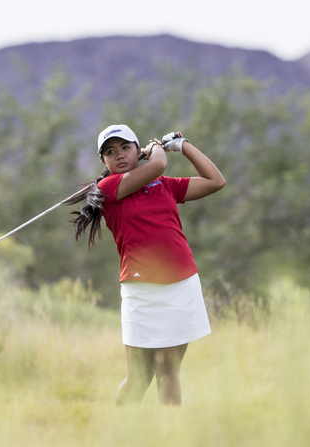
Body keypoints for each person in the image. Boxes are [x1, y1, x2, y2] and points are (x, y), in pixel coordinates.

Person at [68, 124, 225, 406]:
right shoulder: (109, 188)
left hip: (181, 284)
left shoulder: (164, 186)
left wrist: (183, 144)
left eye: (125, 148)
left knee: (168, 372)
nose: (118, 155)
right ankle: (122, 438)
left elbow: (215, 181)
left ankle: (168, 441)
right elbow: (158, 165)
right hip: (141, 291)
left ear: (135, 150)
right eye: (110, 152)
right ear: (103, 161)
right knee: (140, 376)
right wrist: (156, 147)